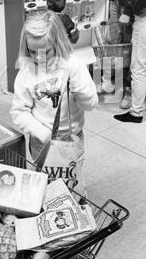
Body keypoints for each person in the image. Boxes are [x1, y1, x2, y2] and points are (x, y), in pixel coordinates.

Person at [10, 10, 98, 189]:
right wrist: (44, 135)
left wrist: (80, 89)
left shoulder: (73, 65)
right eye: (32, 52)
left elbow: (90, 104)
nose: (39, 58)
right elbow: (19, 112)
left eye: (46, 51)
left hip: (72, 139)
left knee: (70, 188)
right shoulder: (26, 72)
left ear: (58, 43)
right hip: (40, 142)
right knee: (41, 186)